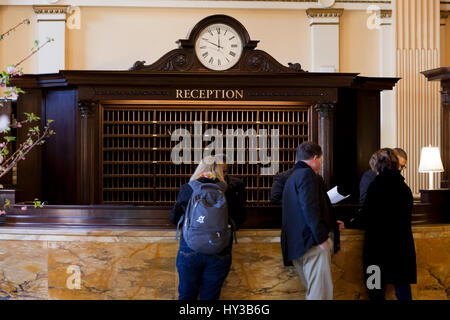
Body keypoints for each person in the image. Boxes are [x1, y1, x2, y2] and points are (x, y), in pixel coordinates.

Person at [170, 155, 246, 300]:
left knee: (186, 295)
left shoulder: (188, 188)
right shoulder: (229, 190)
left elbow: (174, 217)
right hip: (220, 249)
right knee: (210, 297)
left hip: (190, 247)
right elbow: (241, 218)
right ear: (222, 170)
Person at [281, 141, 343, 300]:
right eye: (321, 161)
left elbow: (299, 211)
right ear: (315, 158)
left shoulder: (291, 177)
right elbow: (310, 207)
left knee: (314, 291)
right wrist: (322, 237)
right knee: (320, 295)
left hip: (297, 246)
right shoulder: (307, 174)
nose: (320, 165)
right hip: (312, 244)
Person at [357, 148, 416, 300]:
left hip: (376, 251)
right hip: (401, 250)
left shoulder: (375, 187)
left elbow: (365, 215)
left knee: (375, 292)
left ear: (378, 166)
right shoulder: (405, 189)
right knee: (403, 291)